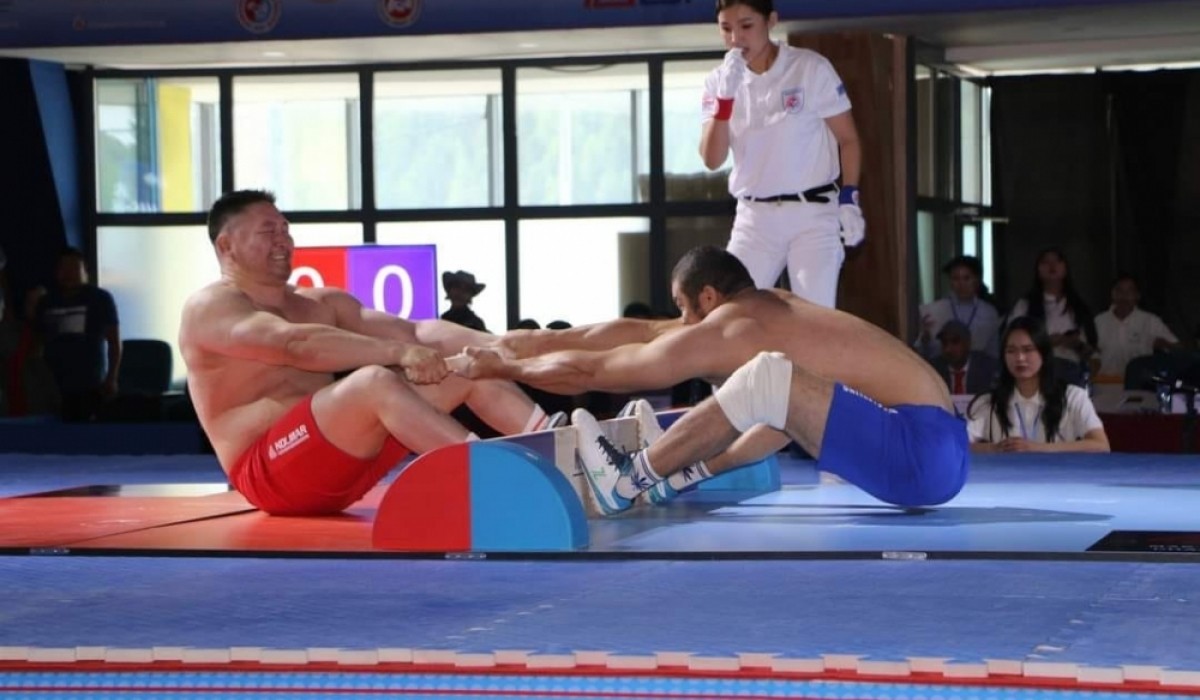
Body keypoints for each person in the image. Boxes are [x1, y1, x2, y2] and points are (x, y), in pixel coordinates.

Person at [457, 246, 967, 514]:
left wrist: (506, 369)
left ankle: (626, 480)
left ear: (707, 298)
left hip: (920, 452)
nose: (681, 323)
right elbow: (640, 331)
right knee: (774, 394)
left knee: (766, 377)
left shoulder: (737, 327)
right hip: (942, 458)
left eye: (683, 307)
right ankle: (671, 474)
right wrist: (523, 343)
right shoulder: (769, 309)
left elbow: (598, 371)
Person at [179, 190, 562, 517]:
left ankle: (564, 455)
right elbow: (293, 345)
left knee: (464, 367)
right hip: (270, 475)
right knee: (372, 382)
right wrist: (398, 352)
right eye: (268, 231)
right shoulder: (210, 308)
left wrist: (506, 347)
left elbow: (416, 332)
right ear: (226, 245)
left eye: (285, 229)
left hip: (343, 466)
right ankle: (501, 486)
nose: (283, 240)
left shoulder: (320, 303)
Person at [700, 0, 863, 307]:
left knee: (814, 316)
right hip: (754, 219)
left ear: (771, 21)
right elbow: (712, 159)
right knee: (731, 311)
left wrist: (849, 198)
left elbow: (848, 139)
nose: (736, 38)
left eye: (746, 26)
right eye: (726, 28)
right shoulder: (718, 81)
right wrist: (725, 101)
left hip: (812, 214)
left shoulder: (809, 68)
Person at [965, 316, 1109, 453]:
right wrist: (994, 449)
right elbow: (957, 444)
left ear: (1043, 353)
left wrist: (1038, 448)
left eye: (1028, 350)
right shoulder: (988, 402)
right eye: (1011, 351)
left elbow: (1101, 445)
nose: (1020, 358)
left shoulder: (1073, 396)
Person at [31, 247, 121, 422]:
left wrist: (112, 377)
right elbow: (38, 341)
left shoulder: (100, 299)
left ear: (85, 271)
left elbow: (114, 341)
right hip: (52, 384)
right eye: (63, 268)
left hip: (89, 383)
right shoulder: (47, 302)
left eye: (73, 267)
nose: (68, 273)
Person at [1006, 247, 1096, 365]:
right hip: (1036, 368)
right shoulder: (1025, 305)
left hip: (1072, 367)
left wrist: (1075, 343)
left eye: (1057, 261)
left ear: (1065, 268)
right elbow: (1012, 340)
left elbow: (1091, 349)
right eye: (1045, 262)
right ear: (1038, 270)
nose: (1052, 265)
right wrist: (1046, 341)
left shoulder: (1078, 306)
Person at [1093, 274, 1179, 380]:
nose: (1124, 296)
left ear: (1137, 295)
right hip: (1105, 382)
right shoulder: (1099, 321)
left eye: (1129, 291)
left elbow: (1176, 347)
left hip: (1139, 382)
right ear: (1112, 294)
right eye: (1119, 291)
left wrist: (1163, 344)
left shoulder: (1149, 320)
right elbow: (1087, 354)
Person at [915, 255, 1001, 360]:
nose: (961, 284)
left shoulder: (989, 312)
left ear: (977, 280)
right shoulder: (932, 310)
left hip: (978, 367)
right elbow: (919, 351)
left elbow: (993, 352)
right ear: (950, 282)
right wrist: (924, 339)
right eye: (955, 278)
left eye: (966, 278)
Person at [928, 320, 999, 396]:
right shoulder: (934, 369)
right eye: (944, 343)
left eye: (955, 342)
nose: (948, 349)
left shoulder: (986, 367)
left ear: (967, 343)